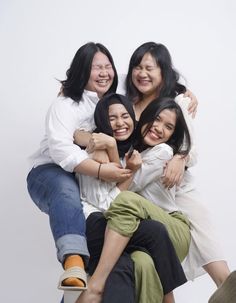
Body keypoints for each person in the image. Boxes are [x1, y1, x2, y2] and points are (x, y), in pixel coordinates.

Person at [124, 41, 236, 302]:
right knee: (155, 258)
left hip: (176, 184)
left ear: (164, 72)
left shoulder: (177, 103)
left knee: (205, 238)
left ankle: (227, 291)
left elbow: (190, 147)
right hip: (143, 189)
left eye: (150, 68)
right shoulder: (126, 103)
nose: (142, 73)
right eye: (137, 67)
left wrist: (179, 157)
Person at [26, 42, 133, 292]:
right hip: (51, 173)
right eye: (97, 68)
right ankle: (73, 261)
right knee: (67, 192)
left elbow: (143, 78)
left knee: (99, 256)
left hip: (90, 184)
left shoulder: (110, 102)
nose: (104, 73)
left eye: (108, 67)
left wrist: (182, 91)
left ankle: (80, 281)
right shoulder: (65, 104)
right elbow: (60, 149)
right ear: (82, 70)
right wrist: (99, 170)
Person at [77, 97, 192, 303]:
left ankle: (96, 285)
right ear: (145, 118)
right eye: (156, 119)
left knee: (128, 199)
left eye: (168, 127)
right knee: (141, 264)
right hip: (141, 230)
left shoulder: (163, 152)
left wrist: (111, 148)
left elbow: (119, 195)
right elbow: (80, 129)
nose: (158, 128)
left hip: (172, 228)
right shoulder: (134, 150)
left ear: (173, 134)